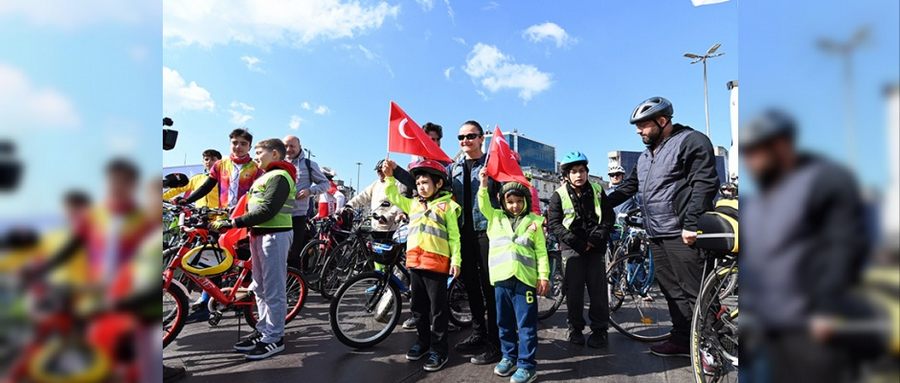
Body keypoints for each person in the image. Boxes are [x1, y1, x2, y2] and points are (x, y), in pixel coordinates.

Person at [740, 110, 872, 382]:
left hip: (811, 324)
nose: (749, 161)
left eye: (755, 152)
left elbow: (844, 245)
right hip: (772, 323)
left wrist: (827, 307)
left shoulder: (824, 180)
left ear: (780, 145)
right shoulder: (768, 191)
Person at [606, 96, 719, 356]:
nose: (638, 130)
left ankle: (713, 345)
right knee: (671, 292)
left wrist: (691, 224)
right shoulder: (646, 156)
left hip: (683, 233)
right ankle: (682, 340)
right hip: (656, 233)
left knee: (697, 293)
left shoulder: (691, 141)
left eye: (643, 125)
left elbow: (704, 182)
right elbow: (629, 186)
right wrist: (600, 202)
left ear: (662, 120)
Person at [210, 138, 296, 360]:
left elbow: (268, 210)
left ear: (275, 154)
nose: (256, 156)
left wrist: (233, 223)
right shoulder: (266, 176)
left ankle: (275, 338)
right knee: (259, 287)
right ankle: (264, 330)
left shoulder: (281, 176)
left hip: (275, 236)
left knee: (274, 289)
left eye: (259, 152)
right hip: (259, 235)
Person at [382, 158, 462, 372]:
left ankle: (439, 349)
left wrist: (456, 260)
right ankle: (423, 342)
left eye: (425, 182)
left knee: (437, 310)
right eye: (418, 184)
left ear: (438, 184)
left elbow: (454, 236)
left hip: (436, 266)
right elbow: (392, 196)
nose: (421, 187)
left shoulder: (448, 206)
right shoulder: (414, 204)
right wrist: (389, 177)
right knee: (418, 308)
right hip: (415, 264)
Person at [179, 129, 263, 322]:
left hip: (245, 218)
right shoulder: (220, 164)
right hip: (221, 218)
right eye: (235, 142)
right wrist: (188, 200)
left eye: (243, 143)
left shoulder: (256, 168)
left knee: (243, 260)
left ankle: (246, 298)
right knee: (214, 258)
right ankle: (211, 300)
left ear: (249, 146)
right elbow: (206, 186)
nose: (238, 146)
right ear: (230, 144)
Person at [478, 168, 549, 383]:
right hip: (501, 281)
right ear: (503, 203)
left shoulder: (534, 222)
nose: (514, 206)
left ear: (526, 201)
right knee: (504, 322)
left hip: (524, 282)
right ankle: (508, 356)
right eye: (510, 202)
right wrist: (483, 184)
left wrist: (543, 276)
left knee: (526, 325)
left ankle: (527, 366)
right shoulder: (495, 218)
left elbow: (541, 252)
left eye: (519, 201)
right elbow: (482, 205)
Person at [547, 151, 614, 348]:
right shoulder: (557, 195)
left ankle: (600, 330)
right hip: (572, 249)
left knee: (598, 292)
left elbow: (608, 218)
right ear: (567, 175)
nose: (579, 175)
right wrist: (576, 242)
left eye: (582, 170)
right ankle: (575, 329)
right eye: (574, 171)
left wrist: (595, 238)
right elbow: (555, 224)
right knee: (574, 293)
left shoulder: (597, 190)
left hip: (595, 248)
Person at [449, 120, 502, 365]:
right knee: (471, 287)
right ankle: (479, 333)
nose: (465, 141)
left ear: (482, 138)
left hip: (487, 233)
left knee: (490, 288)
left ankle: (496, 343)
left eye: (470, 136)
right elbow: (430, 186)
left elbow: (511, 191)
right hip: (462, 233)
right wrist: (395, 171)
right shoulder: (454, 168)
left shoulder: (493, 164)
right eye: (461, 137)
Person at [283, 135, 329, 270]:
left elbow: (325, 184)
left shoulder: (309, 165)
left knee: (293, 254)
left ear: (299, 147)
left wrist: (310, 191)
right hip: (277, 216)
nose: (289, 149)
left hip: (297, 216)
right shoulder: (277, 162)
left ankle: (294, 287)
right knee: (278, 254)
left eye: (292, 146)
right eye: (286, 146)